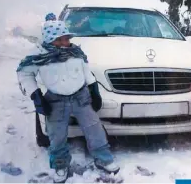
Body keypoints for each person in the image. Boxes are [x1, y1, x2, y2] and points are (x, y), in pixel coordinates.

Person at [16, 20, 120, 183]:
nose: (65, 42)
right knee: (56, 135)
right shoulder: (38, 55)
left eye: (67, 38)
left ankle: (103, 158)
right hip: (55, 100)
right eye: (60, 39)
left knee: (95, 129)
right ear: (49, 39)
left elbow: (85, 70)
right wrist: (36, 95)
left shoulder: (75, 52)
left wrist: (93, 88)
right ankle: (60, 164)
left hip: (81, 97)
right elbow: (25, 74)